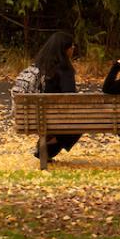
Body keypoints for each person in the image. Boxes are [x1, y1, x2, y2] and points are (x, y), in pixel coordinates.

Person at [33, 32, 81, 161]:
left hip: (37, 116)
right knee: (86, 118)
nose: (73, 49)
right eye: (72, 46)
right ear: (65, 49)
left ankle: (49, 143)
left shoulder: (39, 67)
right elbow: (70, 97)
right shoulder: (64, 70)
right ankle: (53, 140)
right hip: (58, 117)